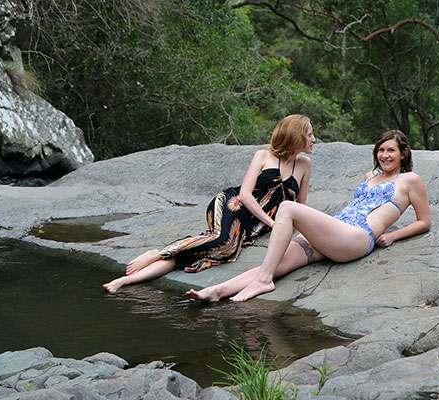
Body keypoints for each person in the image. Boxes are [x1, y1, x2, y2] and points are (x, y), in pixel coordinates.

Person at [186, 129, 431, 302]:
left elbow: (424, 221)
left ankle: (261, 283)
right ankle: (218, 291)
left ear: (404, 154)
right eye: (381, 150)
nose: (385, 155)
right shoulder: (370, 177)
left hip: (357, 237)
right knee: (273, 264)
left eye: (391, 151)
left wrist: (394, 236)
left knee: (288, 208)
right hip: (335, 231)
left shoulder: (410, 180)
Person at [103, 114, 315, 293]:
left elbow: (300, 206)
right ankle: (157, 253)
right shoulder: (263, 156)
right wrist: (272, 224)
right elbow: (244, 195)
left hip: (252, 228)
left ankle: (126, 281)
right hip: (233, 206)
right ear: (296, 136)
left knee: (219, 252)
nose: (314, 139)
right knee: (219, 238)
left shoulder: (304, 164)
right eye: (309, 134)